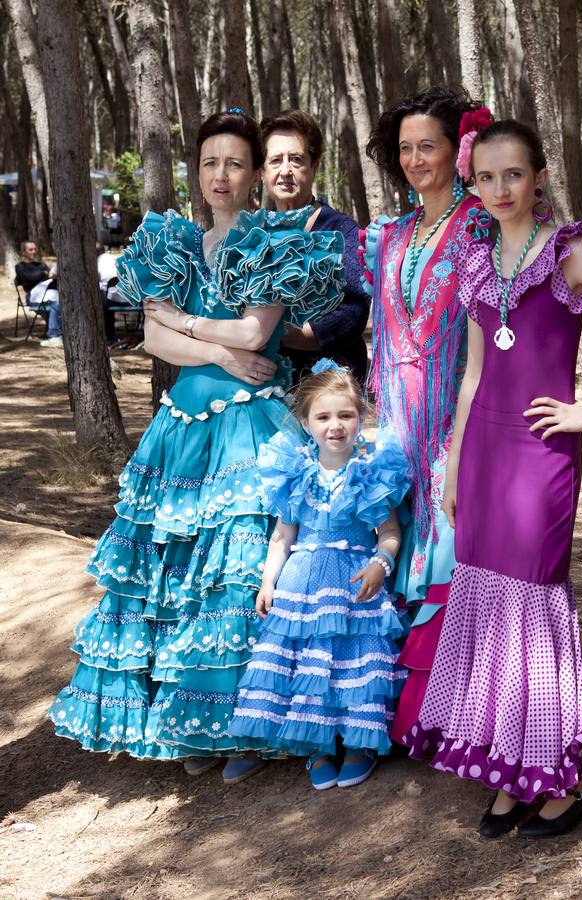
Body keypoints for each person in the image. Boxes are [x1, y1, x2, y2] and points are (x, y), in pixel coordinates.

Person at [47, 109, 344, 783]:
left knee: (240, 572)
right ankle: (189, 721)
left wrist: (192, 329)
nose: (221, 175)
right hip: (182, 425)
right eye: (210, 163)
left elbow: (255, 332)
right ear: (197, 172)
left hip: (250, 429)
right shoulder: (174, 245)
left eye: (236, 163)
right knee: (177, 571)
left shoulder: (274, 241)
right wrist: (206, 339)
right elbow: (154, 340)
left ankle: (248, 723)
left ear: (254, 174)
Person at [401, 121, 582, 838]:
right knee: (488, 604)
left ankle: (571, 779)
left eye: (512, 175)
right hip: (484, 455)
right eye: (485, 178)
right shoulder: (476, 259)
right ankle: (513, 769)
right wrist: (453, 466)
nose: (498, 190)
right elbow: (474, 373)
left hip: (543, 452)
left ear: (539, 176)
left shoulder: (571, 253)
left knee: (533, 605)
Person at [359, 86, 495, 744]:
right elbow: (379, 331)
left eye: (429, 147)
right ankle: (390, 713)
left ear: (457, 152)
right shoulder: (387, 234)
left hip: (458, 423)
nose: (416, 159)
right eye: (406, 148)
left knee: (449, 552)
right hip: (395, 429)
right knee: (395, 546)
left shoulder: (482, 224)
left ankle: (452, 718)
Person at [228, 360, 410, 789]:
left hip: (354, 581)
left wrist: (380, 565)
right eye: (323, 416)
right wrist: (268, 581)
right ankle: (319, 745)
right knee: (310, 663)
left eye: (346, 415)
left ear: (360, 418)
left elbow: (389, 532)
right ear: (306, 421)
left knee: (353, 661)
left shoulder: (371, 470)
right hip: (303, 582)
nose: (335, 426)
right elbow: (281, 537)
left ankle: (361, 743)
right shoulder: (294, 473)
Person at [260, 109, 370, 383]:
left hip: (329, 388)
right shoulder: (253, 234)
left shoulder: (341, 230)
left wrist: (270, 335)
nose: (285, 171)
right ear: (262, 171)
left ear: (314, 166)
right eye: (275, 161)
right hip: (266, 384)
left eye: (296, 160)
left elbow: (352, 312)